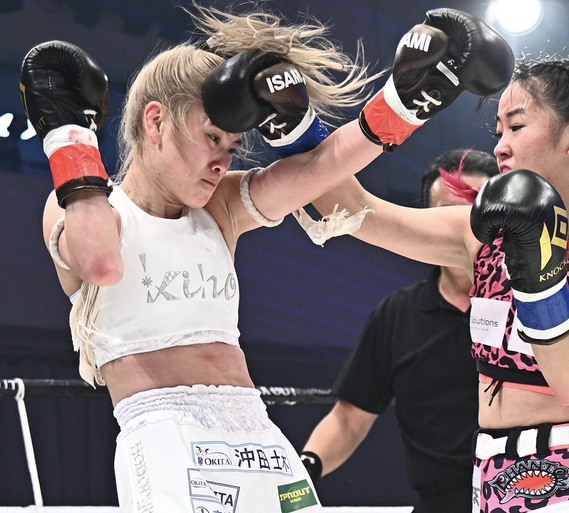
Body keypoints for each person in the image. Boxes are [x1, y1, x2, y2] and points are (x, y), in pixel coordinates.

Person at [19, 4, 514, 512]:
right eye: (213, 138)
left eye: (232, 146)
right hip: (168, 437)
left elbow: (318, 171)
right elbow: (102, 263)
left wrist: (406, 102)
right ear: (156, 121)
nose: (222, 161)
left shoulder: (220, 208)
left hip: (259, 435)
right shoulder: (84, 205)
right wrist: (70, 136)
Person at [311, 56, 569, 512]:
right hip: (489, 482)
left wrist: (537, 267)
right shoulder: (479, 235)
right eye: (498, 131)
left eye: (516, 127)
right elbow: (348, 206)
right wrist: (370, 112)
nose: (500, 148)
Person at [300, 149, 498, 512]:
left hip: (524, 495)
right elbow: (349, 418)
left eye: (473, 214)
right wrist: (304, 471)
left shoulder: (530, 308)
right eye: (446, 215)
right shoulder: (398, 315)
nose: (461, 228)